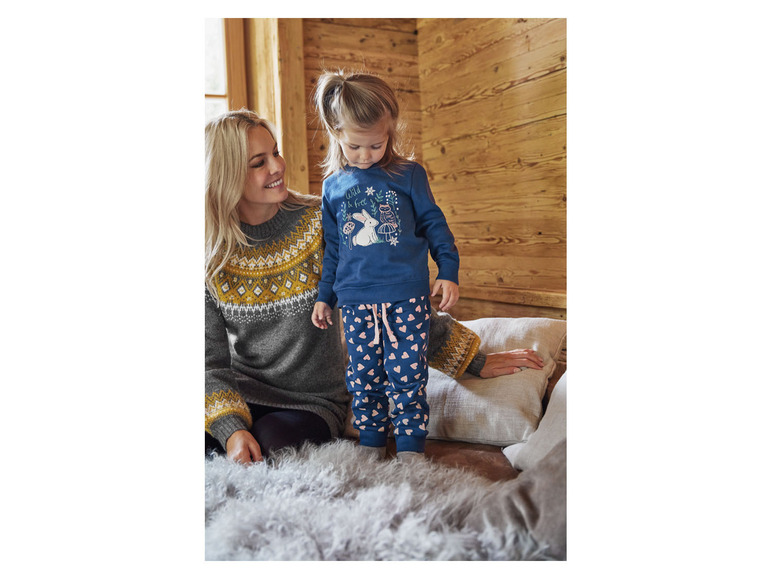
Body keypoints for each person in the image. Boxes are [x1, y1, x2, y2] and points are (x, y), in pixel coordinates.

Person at [205, 109, 545, 465]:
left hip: (310, 403)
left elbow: (395, 298)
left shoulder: (319, 221)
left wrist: (470, 359)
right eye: (259, 162)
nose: (277, 166)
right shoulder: (212, 256)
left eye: (275, 152)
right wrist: (231, 428)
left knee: (274, 449)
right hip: (243, 393)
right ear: (228, 175)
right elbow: (208, 363)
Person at [310, 70, 462, 462]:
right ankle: (372, 443)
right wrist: (325, 296)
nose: (365, 155)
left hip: (406, 296)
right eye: (355, 146)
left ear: (389, 131)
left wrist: (447, 270)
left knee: (408, 375)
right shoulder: (332, 187)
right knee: (363, 377)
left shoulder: (408, 175)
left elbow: (435, 226)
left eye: (375, 145)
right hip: (355, 301)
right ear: (336, 133)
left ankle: (410, 447)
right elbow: (333, 249)